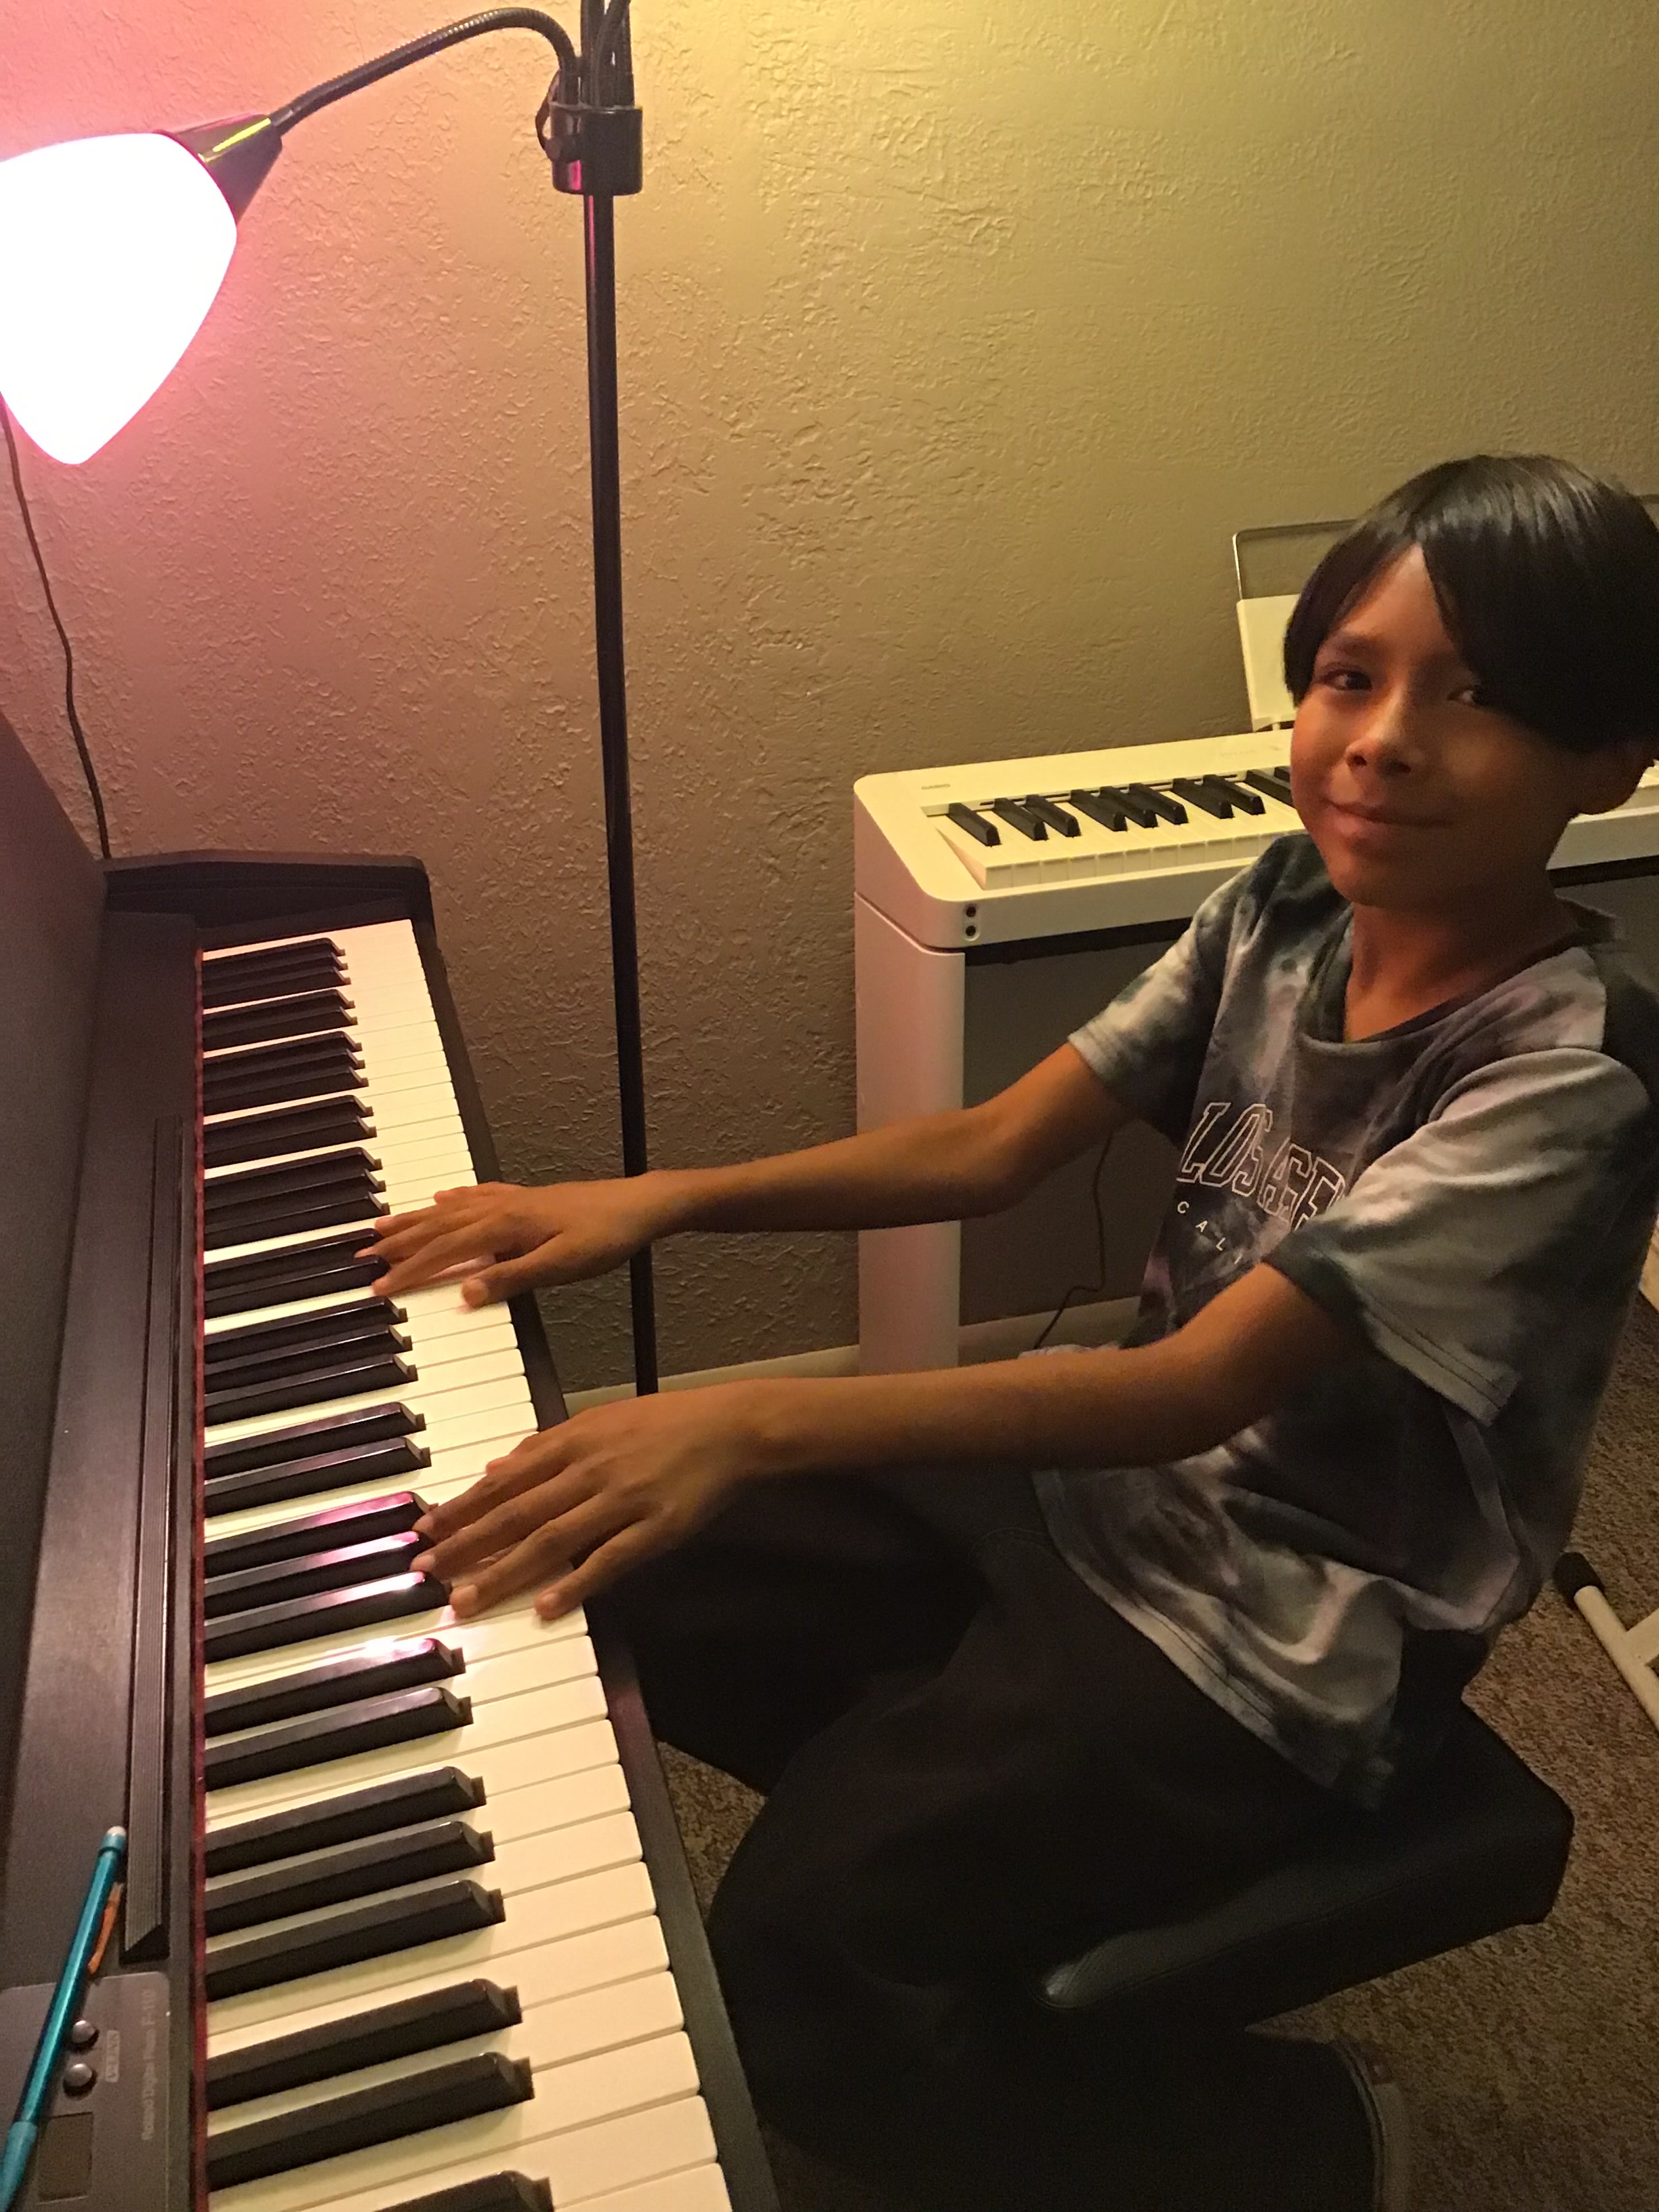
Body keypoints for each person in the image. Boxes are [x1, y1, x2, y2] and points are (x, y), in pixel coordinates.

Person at [366, 453, 1659, 2211]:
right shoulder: (1283, 906)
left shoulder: (1562, 1079)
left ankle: (1306, 2137)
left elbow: (1186, 1392)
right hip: (1097, 1518)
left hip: (1284, 1631)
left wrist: (750, 1416)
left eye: (1477, 697)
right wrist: (656, 1198)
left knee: (783, 1971)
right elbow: (988, 1150)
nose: (1382, 738)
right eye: (1351, 675)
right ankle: (970, 1824)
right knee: (611, 1552)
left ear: (1613, 762)